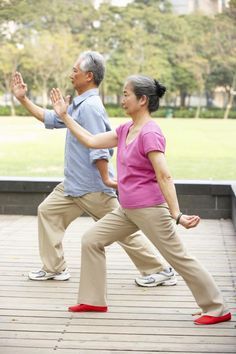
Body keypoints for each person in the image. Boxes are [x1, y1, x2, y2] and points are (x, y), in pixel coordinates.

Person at [49, 74, 231, 325]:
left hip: (151, 210)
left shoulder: (150, 133)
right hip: (127, 209)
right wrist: (65, 116)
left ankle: (217, 308)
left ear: (143, 99)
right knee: (92, 239)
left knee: (179, 258)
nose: (122, 99)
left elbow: (164, 175)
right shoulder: (125, 129)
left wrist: (176, 214)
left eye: (126, 94)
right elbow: (91, 141)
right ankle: (93, 300)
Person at [11, 51, 177, 287]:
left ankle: (161, 270)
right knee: (47, 211)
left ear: (88, 76)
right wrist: (23, 99)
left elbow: (99, 146)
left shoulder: (90, 107)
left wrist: (106, 179)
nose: (71, 75)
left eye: (75, 71)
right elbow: (50, 117)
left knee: (124, 230)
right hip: (72, 185)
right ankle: (54, 268)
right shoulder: (78, 105)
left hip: (93, 187)